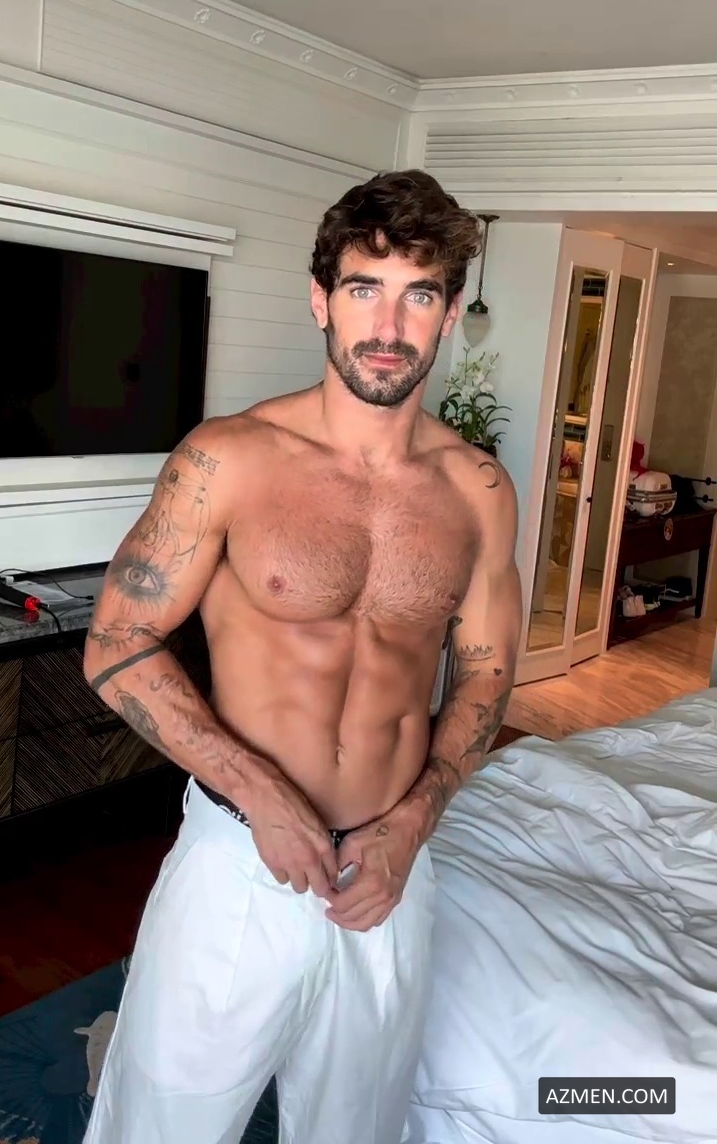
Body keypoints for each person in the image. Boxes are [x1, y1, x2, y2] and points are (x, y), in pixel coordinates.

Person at [81, 168, 523, 1144]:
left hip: (389, 868)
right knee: (163, 1122)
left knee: (353, 1126)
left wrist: (416, 818)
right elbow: (115, 639)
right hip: (241, 858)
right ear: (321, 300)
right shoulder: (227, 459)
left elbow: (488, 671)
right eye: (365, 289)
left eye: (419, 296)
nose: (389, 326)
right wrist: (259, 788)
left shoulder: (478, 489)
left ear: (450, 314)